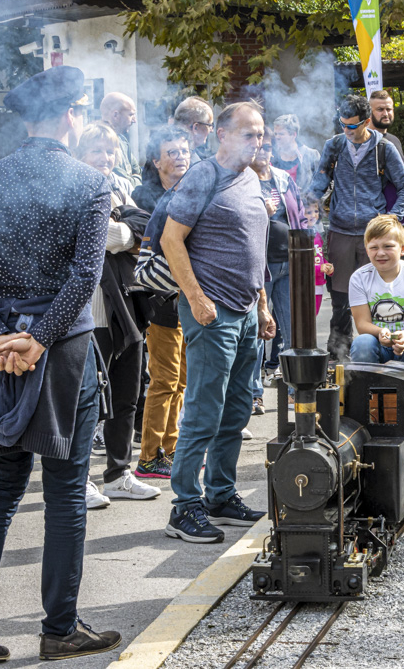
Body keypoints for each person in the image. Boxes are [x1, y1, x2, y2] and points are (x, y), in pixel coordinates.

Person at [0, 65, 121, 663]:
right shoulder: (90, 182)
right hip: (62, 353)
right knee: (67, 491)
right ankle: (59, 629)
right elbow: (84, 277)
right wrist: (40, 338)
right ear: (72, 111)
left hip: (0, 355)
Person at [160, 102, 276, 543]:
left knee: (236, 409)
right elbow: (172, 240)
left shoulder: (251, 178)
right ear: (221, 134)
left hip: (246, 310)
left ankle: (220, 496)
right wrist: (195, 296)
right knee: (203, 412)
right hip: (211, 311)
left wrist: (263, 306)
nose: (258, 141)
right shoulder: (203, 176)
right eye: (249, 134)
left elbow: (255, 251)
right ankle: (184, 505)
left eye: (260, 133)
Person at [75, 122, 161, 507]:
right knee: (90, 399)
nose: (105, 159)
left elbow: (146, 227)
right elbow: (108, 237)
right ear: (81, 154)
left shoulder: (121, 188)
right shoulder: (76, 188)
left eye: (110, 152)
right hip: (89, 312)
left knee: (127, 394)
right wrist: (125, 233)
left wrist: (123, 233)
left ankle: (117, 473)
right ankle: (79, 480)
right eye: (97, 151)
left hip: (125, 306)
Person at [307, 94, 404, 361]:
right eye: (342, 124)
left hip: (373, 235)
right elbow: (318, 186)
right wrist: (304, 200)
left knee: (381, 297)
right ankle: (338, 359)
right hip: (341, 231)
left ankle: (385, 354)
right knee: (341, 302)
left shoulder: (384, 148)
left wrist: (390, 219)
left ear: (367, 122)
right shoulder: (333, 146)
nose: (346, 130)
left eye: (352, 126)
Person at [131, 126, 191, 480]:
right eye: (172, 152)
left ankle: (171, 449)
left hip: (187, 299)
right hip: (159, 302)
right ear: (156, 161)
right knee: (164, 381)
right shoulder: (150, 198)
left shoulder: (189, 192)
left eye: (184, 150)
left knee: (181, 381)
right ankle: (150, 456)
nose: (181, 156)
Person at [250, 125, 304, 415]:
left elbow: (299, 216)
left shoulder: (283, 178)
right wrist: (263, 211)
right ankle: (254, 395)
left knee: (293, 327)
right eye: (260, 146)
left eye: (269, 147)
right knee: (260, 329)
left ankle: (297, 390)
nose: (265, 151)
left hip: (289, 262)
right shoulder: (243, 179)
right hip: (260, 266)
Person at [348, 215, 404, 365]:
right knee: (362, 343)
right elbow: (362, 324)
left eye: (388, 246)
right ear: (367, 250)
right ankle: (368, 387)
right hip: (376, 341)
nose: (380, 253)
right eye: (374, 247)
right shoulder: (358, 278)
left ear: (403, 248)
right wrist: (380, 332)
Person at [272, 113, 321, 193]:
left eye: (281, 134)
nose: (277, 137)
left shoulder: (311, 155)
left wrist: (313, 201)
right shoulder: (272, 157)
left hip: (305, 203)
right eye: (275, 134)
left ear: (293, 134)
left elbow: (323, 183)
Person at [99, 92, 140, 187]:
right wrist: (135, 180)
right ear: (115, 115)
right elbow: (125, 182)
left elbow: (138, 172)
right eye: (130, 115)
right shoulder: (101, 142)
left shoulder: (123, 141)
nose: (134, 120)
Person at [303, 201, 334, 314]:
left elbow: (320, 257)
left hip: (319, 283)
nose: (313, 215)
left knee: (313, 316)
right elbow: (301, 264)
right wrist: (318, 268)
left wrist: (327, 266)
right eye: (309, 212)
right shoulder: (301, 234)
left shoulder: (317, 234)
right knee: (306, 316)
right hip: (306, 285)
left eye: (316, 211)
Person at [172, 96, 214, 163]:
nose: (211, 130)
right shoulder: (186, 162)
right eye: (209, 125)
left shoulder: (164, 154)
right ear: (196, 127)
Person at [369, 89, 404, 158]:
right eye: (380, 109)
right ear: (369, 112)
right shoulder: (362, 142)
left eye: (388, 109)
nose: (385, 114)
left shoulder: (395, 140)